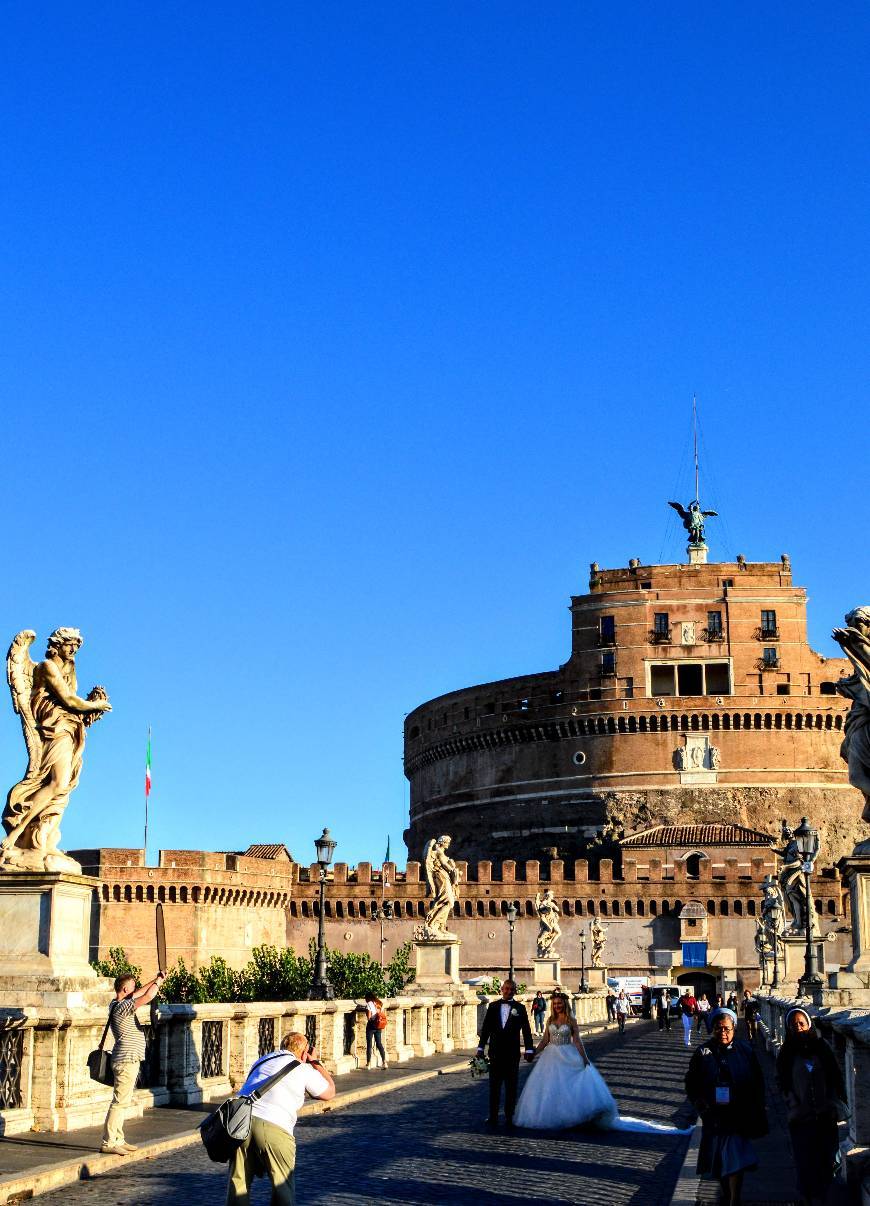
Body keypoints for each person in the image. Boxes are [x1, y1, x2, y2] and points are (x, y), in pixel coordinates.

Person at [514, 990, 692, 1134]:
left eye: (560, 1003)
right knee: (549, 1089)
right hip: (551, 1057)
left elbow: (577, 1041)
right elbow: (545, 1040)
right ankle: (553, 1115)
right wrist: (533, 1053)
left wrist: (584, 1058)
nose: (557, 1006)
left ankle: (573, 1117)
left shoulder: (571, 1020)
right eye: (555, 1004)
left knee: (568, 1088)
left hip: (568, 1055)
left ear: (564, 1004)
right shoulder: (550, 1020)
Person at [227, 1031, 335, 1205]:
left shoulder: (262, 1060)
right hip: (274, 1125)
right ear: (303, 1052)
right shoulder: (303, 1068)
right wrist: (315, 1062)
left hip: (241, 1122)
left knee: (238, 1181)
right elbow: (329, 1092)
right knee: (282, 1183)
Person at [685, 1008, 768, 1206]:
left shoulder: (745, 1051)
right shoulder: (703, 1053)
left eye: (727, 1029)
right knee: (718, 1160)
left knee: (736, 1158)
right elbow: (691, 1081)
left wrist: (758, 1106)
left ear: (734, 1029)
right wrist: (698, 1102)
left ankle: (734, 1199)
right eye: (718, 1028)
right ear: (712, 1029)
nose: (723, 1032)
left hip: (738, 1114)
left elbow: (757, 1080)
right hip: (713, 1115)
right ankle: (727, 1192)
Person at [776, 1007, 847, 1206]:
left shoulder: (822, 1048)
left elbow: (836, 1076)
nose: (798, 1028)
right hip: (801, 1118)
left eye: (801, 1023)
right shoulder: (787, 1053)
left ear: (809, 1024)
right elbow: (781, 1080)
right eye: (794, 1025)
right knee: (805, 1162)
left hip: (825, 1116)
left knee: (828, 1161)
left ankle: (824, 1196)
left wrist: (834, 1103)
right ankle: (808, 1198)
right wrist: (792, 1103)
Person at [100, 969, 165, 1155]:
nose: (135, 989)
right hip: (126, 1059)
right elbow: (148, 996)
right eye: (132, 987)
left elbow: (140, 993)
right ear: (125, 988)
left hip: (128, 1058)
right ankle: (108, 1142)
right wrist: (159, 983)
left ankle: (118, 1138)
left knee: (124, 1101)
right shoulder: (122, 1007)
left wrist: (156, 978)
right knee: (119, 1102)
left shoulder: (116, 1003)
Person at [476, 978, 534, 1129]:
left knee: (511, 1086)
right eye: (506, 989)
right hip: (495, 1052)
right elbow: (486, 1029)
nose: (508, 991)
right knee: (494, 1086)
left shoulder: (520, 1008)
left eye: (511, 989)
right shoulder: (493, 1007)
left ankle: (509, 1116)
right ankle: (493, 1116)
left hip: (512, 1053)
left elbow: (526, 1030)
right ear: (501, 990)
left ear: (515, 991)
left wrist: (529, 1049)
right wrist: (481, 1048)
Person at [364, 992, 388, 1069]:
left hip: (371, 1026)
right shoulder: (379, 1003)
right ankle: (384, 1062)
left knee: (369, 1044)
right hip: (379, 1026)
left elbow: (369, 1017)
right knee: (379, 1044)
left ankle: (368, 1063)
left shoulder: (369, 1004)